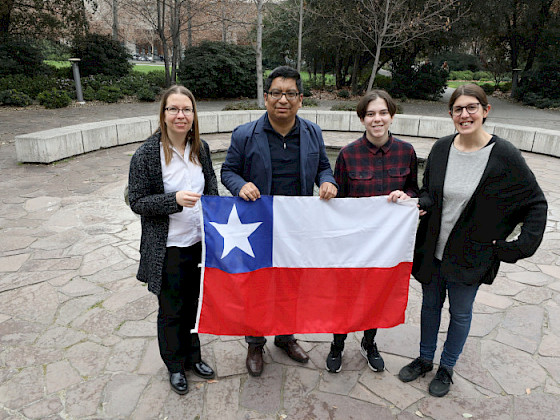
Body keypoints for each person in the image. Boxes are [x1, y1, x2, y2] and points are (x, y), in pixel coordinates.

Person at [398, 84, 547, 397]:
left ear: (485, 110)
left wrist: (519, 247)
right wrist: (421, 203)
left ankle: (447, 367)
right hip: (433, 250)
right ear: (451, 114)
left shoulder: (504, 155)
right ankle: (425, 359)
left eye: (471, 107)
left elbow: (535, 202)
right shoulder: (440, 149)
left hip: (472, 254)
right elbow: (430, 193)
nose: (464, 114)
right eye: (458, 109)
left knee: (461, 313)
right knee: (429, 306)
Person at [221, 65, 338, 377]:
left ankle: (285, 337)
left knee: (290, 285)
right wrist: (239, 185)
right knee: (257, 287)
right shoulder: (245, 134)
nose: (282, 99)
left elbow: (323, 167)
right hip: (257, 227)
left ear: (300, 99)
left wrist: (328, 181)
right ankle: (255, 343)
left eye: (290, 93)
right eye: (276, 93)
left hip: (296, 227)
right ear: (266, 97)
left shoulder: (312, 132)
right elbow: (228, 170)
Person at [128, 85, 218, 395]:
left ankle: (194, 357)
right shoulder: (147, 154)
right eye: (173, 109)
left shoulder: (201, 149)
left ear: (194, 115)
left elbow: (212, 190)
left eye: (186, 110)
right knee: (171, 311)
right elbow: (137, 201)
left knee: (195, 305)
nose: (181, 115)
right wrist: (173, 200)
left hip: (198, 244)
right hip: (167, 249)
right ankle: (175, 365)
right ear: (163, 114)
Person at [325, 90, 419, 374]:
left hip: (387, 244)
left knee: (377, 295)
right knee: (346, 296)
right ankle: (337, 344)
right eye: (370, 114)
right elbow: (338, 202)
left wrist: (406, 196)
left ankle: (369, 342)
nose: (377, 119)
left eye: (382, 113)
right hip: (353, 244)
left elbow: (415, 189)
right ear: (362, 119)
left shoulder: (407, 152)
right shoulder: (348, 154)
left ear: (391, 116)